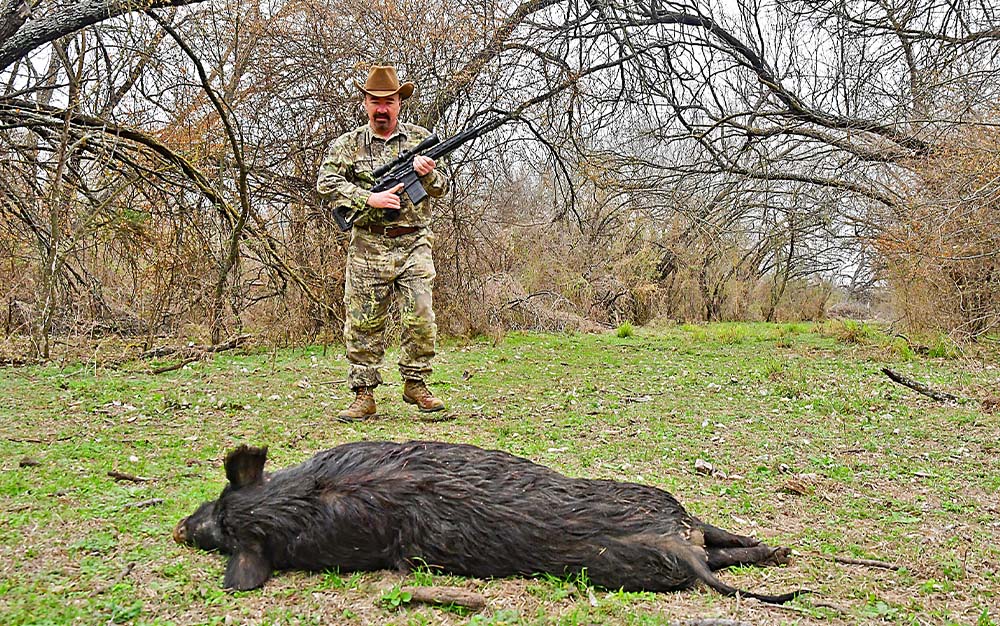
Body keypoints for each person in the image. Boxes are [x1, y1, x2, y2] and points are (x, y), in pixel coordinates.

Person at [317, 65, 449, 421]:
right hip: (368, 245)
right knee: (363, 322)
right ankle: (363, 395)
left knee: (421, 315)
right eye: (375, 101)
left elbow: (443, 188)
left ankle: (416, 383)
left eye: (388, 101)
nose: (381, 109)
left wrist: (429, 174)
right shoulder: (347, 145)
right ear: (365, 103)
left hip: (414, 243)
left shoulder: (420, 140)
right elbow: (325, 183)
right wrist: (366, 199)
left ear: (399, 104)